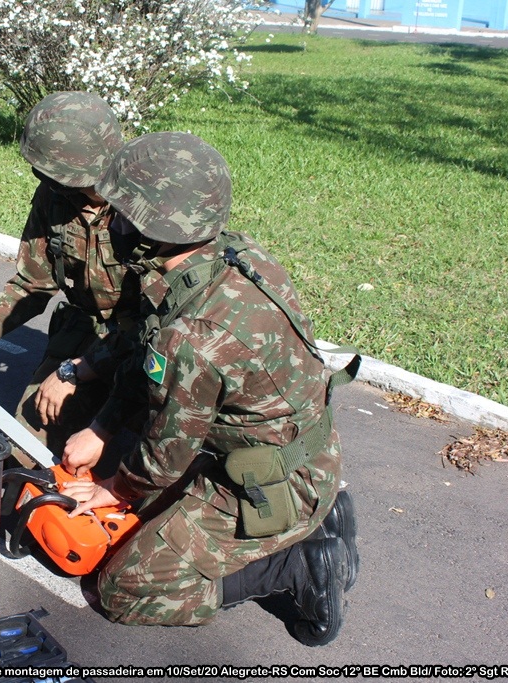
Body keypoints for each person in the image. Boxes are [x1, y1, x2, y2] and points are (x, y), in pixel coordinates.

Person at [59, 132, 360, 646]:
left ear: (155, 228)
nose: (114, 223)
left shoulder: (196, 337)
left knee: (122, 588)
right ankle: (317, 516)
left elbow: (164, 456)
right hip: (294, 447)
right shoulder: (231, 255)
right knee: (144, 507)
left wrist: (111, 489)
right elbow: (144, 349)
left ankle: (297, 565)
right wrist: (103, 427)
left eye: (124, 214)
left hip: (272, 482)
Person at [0, 91, 141, 468]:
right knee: (28, 446)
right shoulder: (55, 196)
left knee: (149, 463)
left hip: (148, 349)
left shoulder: (145, 205)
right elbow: (33, 282)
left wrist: (76, 371)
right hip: (89, 334)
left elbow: (160, 321)